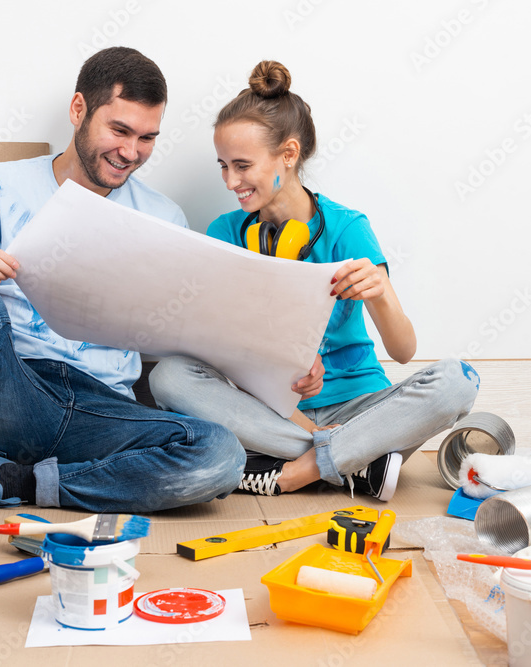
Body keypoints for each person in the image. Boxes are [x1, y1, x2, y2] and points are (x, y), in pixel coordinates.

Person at [0, 47, 246, 613]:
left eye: (147, 138)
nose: (130, 152)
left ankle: (10, 483)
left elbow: (181, 340)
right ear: (78, 109)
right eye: (119, 129)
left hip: (102, 409)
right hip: (14, 392)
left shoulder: (165, 218)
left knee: (219, 454)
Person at [149, 60, 480, 502]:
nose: (231, 181)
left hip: (365, 411)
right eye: (223, 166)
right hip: (275, 413)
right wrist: (282, 378)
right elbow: (220, 349)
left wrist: (378, 293)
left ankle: (297, 472)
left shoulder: (347, 229)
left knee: (459, 381)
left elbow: (404, 352)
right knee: (167, 376)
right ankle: (355, 462)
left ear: (288, 154)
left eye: (242, 165)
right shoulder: (224, 234)